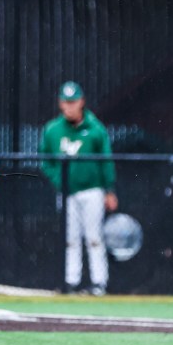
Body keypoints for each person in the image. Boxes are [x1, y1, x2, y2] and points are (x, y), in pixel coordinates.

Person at [39, 81, 118, 296]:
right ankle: (71, 283)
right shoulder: (52, 130)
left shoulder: (95, 128)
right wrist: (59, 180)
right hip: (66, 194)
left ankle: (99, 283)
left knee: (94, 237)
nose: (70, 106)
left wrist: (109, 189)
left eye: (73, 102)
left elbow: (106, 160)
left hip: (92, 191)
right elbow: (46, 161)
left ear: (82, 102)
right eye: (66, 102)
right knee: (70, 238)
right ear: (60, 104)